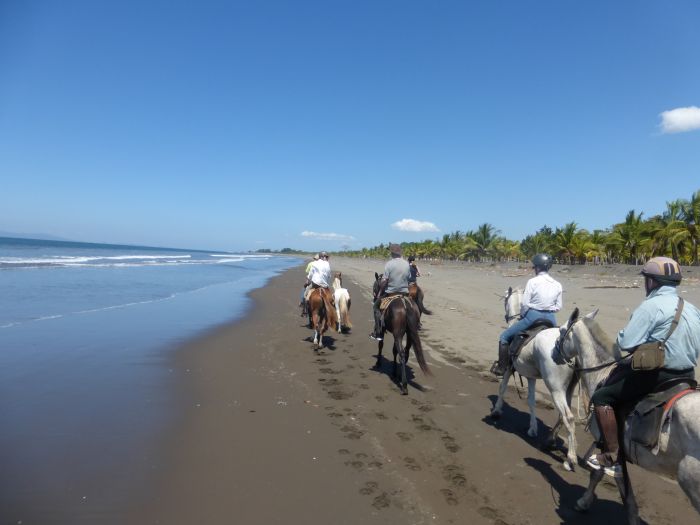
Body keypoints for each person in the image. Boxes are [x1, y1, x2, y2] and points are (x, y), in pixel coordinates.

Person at [587, 256, 700, 478]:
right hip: (687, 375)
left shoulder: (650, 306)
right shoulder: (692, 308)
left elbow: (626, 343)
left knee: (602, 397)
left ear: (652, 282)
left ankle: (611, 456)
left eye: (646, 280)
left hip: (657, 375)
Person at [492, 253, 563, 376]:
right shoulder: (557, 284)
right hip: (551, 319)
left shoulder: (532, 282)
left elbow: (525, 304)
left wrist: (524, 316)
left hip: (533, 316)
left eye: (535, 267)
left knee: (504, 337)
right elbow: (558, 307)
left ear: (538, 267)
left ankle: (502, 368)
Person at [370, 244, 410, 341]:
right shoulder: (406, 264)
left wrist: (380, 290)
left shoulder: (389, 264)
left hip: (391, 293)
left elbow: (384, 281)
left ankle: (378, 332)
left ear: (392, 253)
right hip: (404, 293)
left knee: (375, 307)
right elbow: (408, 278)